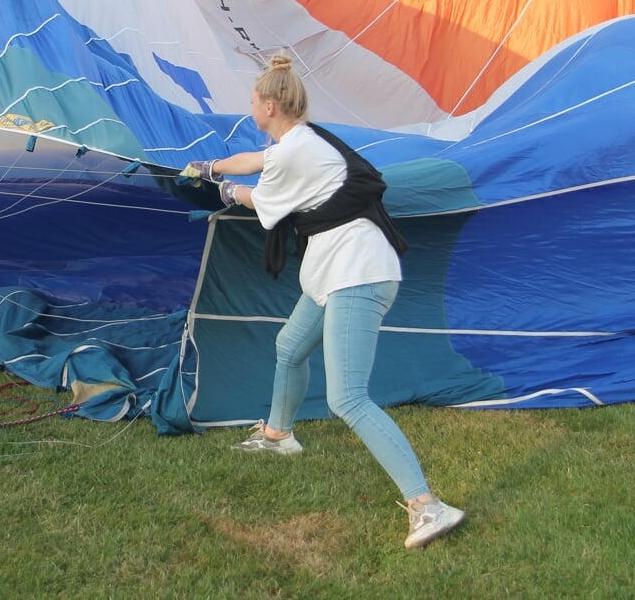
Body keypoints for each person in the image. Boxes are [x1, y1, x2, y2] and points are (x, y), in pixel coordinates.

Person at [182, 54, 464, 551]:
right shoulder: (301, 140)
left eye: (252, 103)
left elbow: (259, 201)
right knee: (290, 346)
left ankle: (428, 506)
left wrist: (224, 190)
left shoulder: (294, 152)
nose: (249, 110)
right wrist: (209, 166)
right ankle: (277, 435)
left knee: (348, 398)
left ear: (269, 105)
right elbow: (255, 160)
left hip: (356, 274)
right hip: (334, 270)